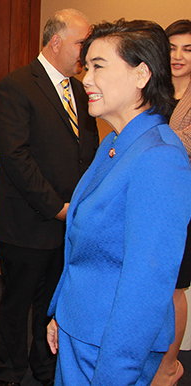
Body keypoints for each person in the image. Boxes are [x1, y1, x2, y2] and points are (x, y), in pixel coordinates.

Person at [47, 19, 191, 385]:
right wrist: (62, 314)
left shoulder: (159, 157)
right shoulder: (116, 144)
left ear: (141, 74)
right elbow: (83, 245)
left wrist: (115, 373)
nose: (87, 79)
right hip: (83, 331)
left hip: (108, 351)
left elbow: (146, 288)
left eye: (99, 66)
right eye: (86, 66)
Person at [0, 9, 99, 386]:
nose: (86, 52)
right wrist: (56, 208)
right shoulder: (16, 85)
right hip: (27, 224)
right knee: (17, 308)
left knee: (52, 307)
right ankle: (8, 374)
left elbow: (86, 152)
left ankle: (45, 369)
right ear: (56, 41)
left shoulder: (81, 91)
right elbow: (17, 158)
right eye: (81, 42)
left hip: (68, 222)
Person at [151, 19, 191, 386]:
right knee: (147, 281)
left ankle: (170, 364)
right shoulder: (154, 91)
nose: (178, 56)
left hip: (183, 205)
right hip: (147, 202)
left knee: (174, 286)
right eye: (172, 47)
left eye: (188, 49)